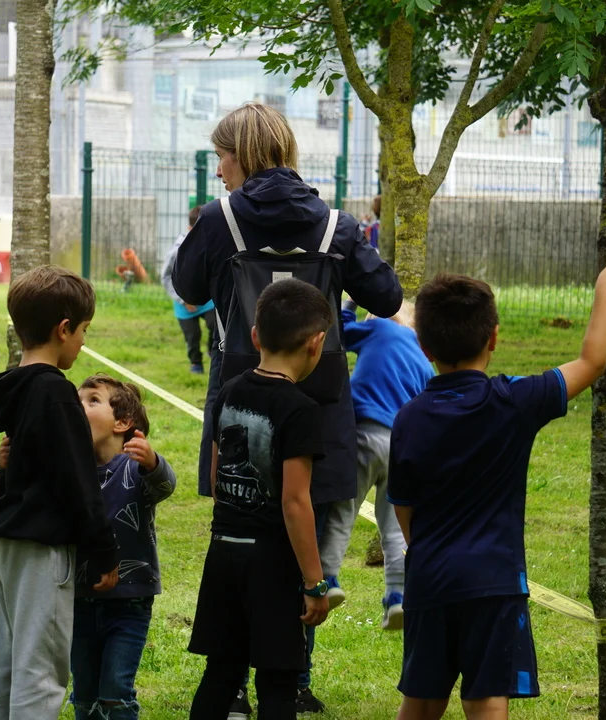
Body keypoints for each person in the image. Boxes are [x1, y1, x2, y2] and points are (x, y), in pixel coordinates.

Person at [173, 101, 402, 714]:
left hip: (239, 406)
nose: (218, 170)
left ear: (243, 155)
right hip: (315, 407)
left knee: (239, 531)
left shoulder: (218, 219)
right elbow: (386, 296)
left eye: (222, 156)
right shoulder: (336, 226)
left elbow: (187, 288)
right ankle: (294, 675)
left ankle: (234, 685)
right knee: (309, 535)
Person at [388, 260, 606, 720]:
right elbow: (592, 362)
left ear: (423, 346)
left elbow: (404, 510)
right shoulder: (513, 401)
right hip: (493, 583)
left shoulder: (407, 418)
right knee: (486, 698)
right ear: (494, 338)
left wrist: (428, 552)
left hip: (429, 580)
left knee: (421, 699)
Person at [0, 266, 120, 720]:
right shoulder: (56, 392)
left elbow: (22, 464)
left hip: (7, 543)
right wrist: (104, 549)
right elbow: (77, 479)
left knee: (10, 662)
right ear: (63, 329)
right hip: (42, 551)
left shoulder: (18, 388)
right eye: (83, 331)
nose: (83, 342)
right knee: (40, 671)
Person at [188, 278, 334, 720]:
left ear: (255, 336)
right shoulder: (302, 411)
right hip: (271, 564)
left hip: (223, 553)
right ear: (316, 344)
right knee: (278, 681)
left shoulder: (229, 391)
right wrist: (315, 583)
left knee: (221, 673)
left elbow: (216, 477)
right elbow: (295, 502)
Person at [316, 298, 434, 630]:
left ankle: (328, 578)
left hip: (365, 435)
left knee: (343, 511)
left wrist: (350, 303)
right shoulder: (425, 365)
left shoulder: (380, 330)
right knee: (394, 528)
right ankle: (397, 597)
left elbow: (339, 332)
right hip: (401, 450)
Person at [71, 374, 177, 719]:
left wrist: (153, 462)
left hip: (129, 602)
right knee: (84, 694)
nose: (79, 406)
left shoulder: (135, 468)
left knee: (116, 690)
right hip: (78, 599)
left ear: (122, 422)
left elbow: (164, 486)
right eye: (77, 400)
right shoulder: (71, 470)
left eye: (92, 400)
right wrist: (5, 468)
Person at [161, 205, 216, 374]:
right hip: (184, 302)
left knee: (215, 323)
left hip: (207, 300)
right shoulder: (176, 251)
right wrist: (183, 300)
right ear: (190, 228)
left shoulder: (211, 245)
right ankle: (196, 363)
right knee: (192, 336)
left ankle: (212, 349)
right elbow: (165, 277)